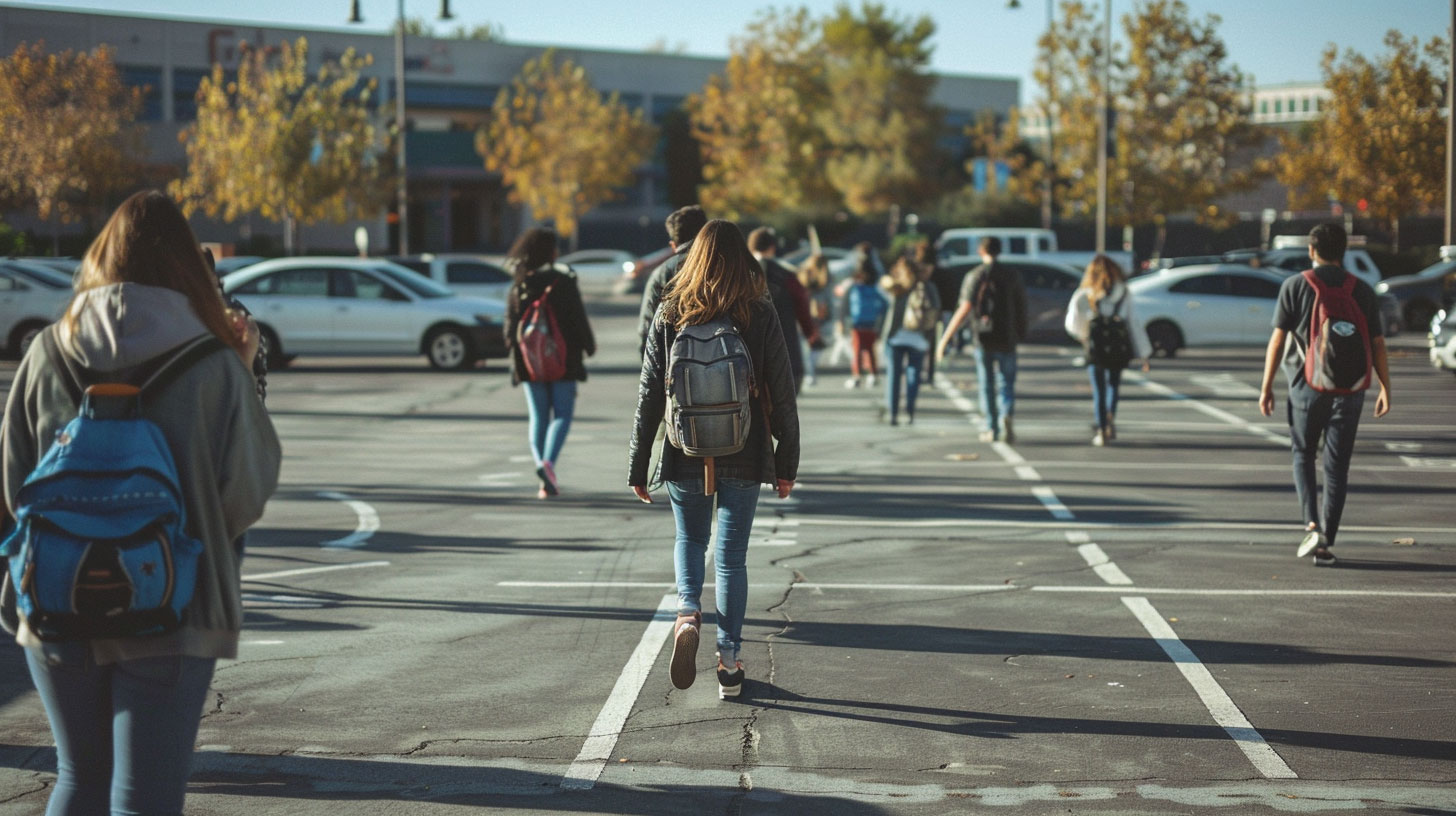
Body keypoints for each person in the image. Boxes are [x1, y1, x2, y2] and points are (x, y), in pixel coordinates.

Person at [0, 190, 280, 815]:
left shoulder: (46, 350)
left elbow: (15, 484)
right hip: (173, 605)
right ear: (188, 264)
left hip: (55, 594)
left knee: (78, 778)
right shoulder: (213, 363)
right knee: (145, 795)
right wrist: (240, 365)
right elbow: (245, 493)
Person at [628, 219, 799, 699]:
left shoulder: (671, 310)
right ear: (741, 257)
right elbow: (782, 394)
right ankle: (729, 661)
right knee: (731, 559)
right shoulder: (758, 312)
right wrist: (786, 464)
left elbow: (648, 397)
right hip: (745, 449)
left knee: (690, 536)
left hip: (684, 450)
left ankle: (686, 613)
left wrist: (639, 465)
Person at [1258, 223, 1391, 566]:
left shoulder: (1294, 286)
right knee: (1337, 467)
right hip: (1350, 390)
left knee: (1303, 454)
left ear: (1311, 251)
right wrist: (1385, 388)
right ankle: (1326, 542)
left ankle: (1311, 523)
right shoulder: (1361, 289)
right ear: (1343, 251)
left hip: (1306, 389)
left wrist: (1266, 386)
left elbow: (1277, 340)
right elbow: (1377, 343)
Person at [503, 227, 596, 499]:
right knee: (562, 415)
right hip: (563, 358)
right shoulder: (563, 282)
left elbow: (510, 327)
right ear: (551, 251)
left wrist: (516, 352)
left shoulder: (520, 284)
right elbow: (577, 319)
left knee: (538, 417)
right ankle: (548, 464)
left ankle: (544, 477)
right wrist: (588, 345)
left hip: (529, 361)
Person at [937, 236, 1028, 443]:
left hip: (983, 337)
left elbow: (965, 308)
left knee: (986, 383)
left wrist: (945, 339)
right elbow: (1022, 306)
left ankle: (991, 427)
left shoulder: (975, 276)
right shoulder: (1012, 275)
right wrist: (1020, 332)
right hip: (1007, 336)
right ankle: (1007, 415)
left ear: (981, 251)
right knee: (1007, 382)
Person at [1064, 254, 1152, 446]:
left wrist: (1083, 335)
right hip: (1118, 349)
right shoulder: (1123, 293)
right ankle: (1111, 415)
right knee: (1113, 385)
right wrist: (1144, 354)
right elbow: (1133, 323)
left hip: (1096, 350)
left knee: (1099, 390)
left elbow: (1072, 324)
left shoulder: (1084, 294)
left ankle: (1102, 428)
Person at [748, 227, 819, 393]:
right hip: (784, 344)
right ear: (772, 247)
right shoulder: (786, 275)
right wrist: (810, 332)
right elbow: (802, 306)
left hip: (750, 349)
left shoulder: (742, 274)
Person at [637, 205, 708, 357]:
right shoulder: (728, 267)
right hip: (727, 368)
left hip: (677, 365)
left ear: (673, 245)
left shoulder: (663, 273)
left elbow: (647, 328)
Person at [878, 257, 940, 425]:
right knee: (914, 375)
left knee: (894, 376)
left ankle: (893, 414)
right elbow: (936, 310)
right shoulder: (927, 287)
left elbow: (881, 284)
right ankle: (910, 412)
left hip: (895, 338)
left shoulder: (897, 287)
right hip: (919, 338)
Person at [842, 253, 887, 389]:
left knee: (857, 351)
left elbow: (846, 305)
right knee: (870, 350)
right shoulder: (874, 289)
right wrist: (878, 315)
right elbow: (884, 304)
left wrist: (845, 320)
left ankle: (857, 376)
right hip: (871, 323)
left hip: (857, 323)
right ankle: (873, 375)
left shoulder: (854, 288)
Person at [797, 253, 834, 387]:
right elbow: (828, 297)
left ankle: (809, 373)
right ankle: (809, 373)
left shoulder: (804, 274)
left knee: (808, 347)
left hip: (808, 313)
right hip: (819, 313)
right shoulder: (824, 277)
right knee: (814, 348)